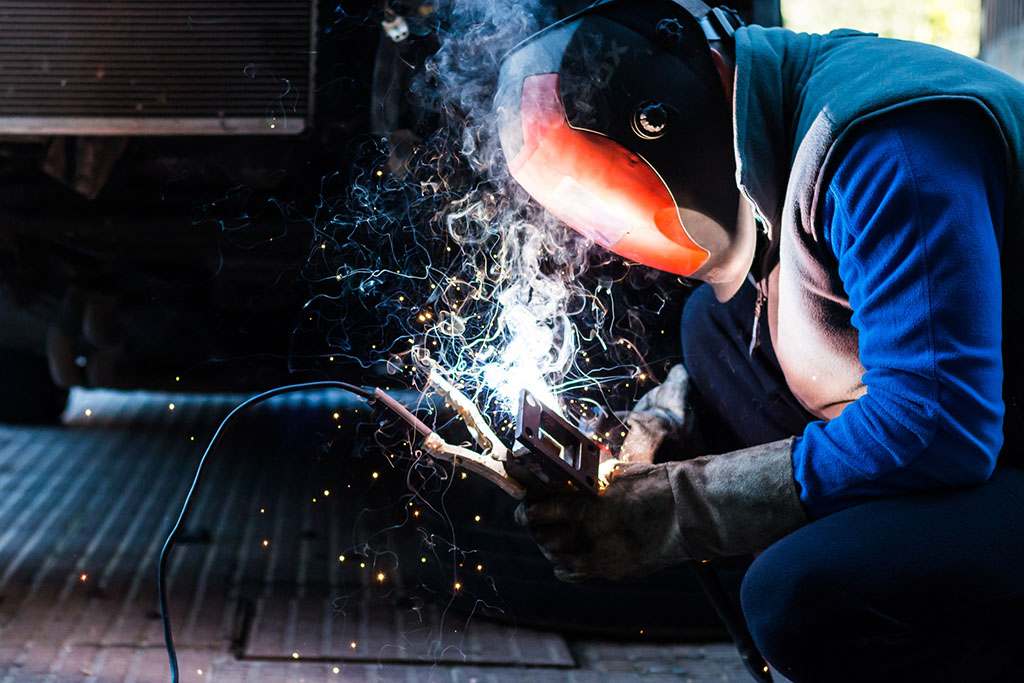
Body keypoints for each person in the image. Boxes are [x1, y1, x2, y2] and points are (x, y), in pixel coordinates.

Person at [494, 0, 1024, 680]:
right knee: (713, 329)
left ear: (661, 122)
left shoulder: (884, 149)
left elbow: (939, 425)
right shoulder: (783, 122)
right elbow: (775, 313)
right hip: (995, 425)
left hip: (979, 440)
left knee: (799, 594)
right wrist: (659, 426)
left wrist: (678, 507)